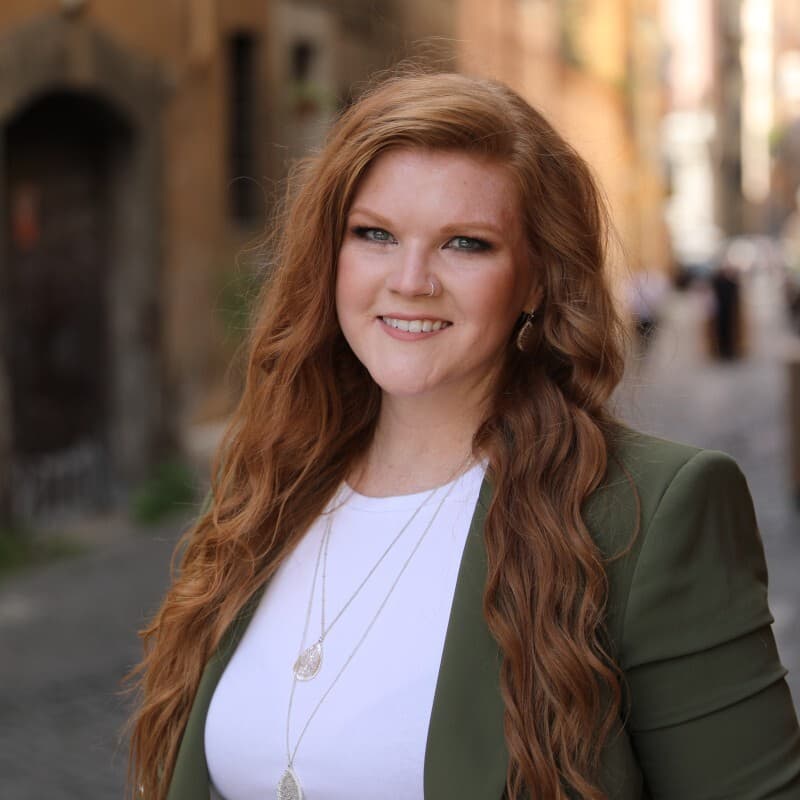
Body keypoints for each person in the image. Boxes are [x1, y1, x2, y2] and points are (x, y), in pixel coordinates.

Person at [128, 72, 800, 800]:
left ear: (537, 279)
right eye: (375, 234)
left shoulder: (649, 511)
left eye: (466, 244)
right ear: (330, 255)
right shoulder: (266, 483)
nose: (411, 280)